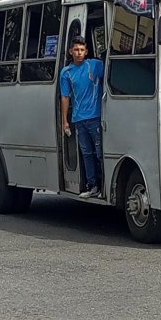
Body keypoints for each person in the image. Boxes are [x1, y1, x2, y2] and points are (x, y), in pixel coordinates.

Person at [60, 36, 105, 199]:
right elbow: (65, 97)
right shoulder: (66, 72)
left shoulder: (94, 65)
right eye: (76, 50)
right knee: (87, 154)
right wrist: (65, 121)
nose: (79, 53)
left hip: (96, 117)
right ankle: (92, 185)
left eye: (82, 50)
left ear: (86, 52)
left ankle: (103, 185)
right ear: (71, 52)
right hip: (78, 119)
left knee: (100, 153)